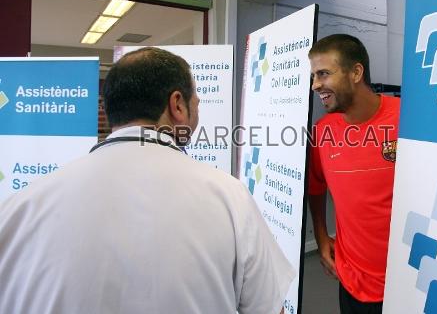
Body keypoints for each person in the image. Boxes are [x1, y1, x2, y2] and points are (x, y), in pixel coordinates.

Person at [0, 47, 294, 314]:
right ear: (177, 105)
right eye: (197, 101)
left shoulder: (18, 207)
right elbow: (268, 309)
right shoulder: (230, 198)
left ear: (109, 110)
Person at [307, 34, 400, 314]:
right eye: (314, 76)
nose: (315, 85)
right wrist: (322, 237)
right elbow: (315, 187)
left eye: (323, 74)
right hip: (351, 282)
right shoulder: (322, 132)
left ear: (356, 72)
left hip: (406, 282)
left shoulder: (408, 119)